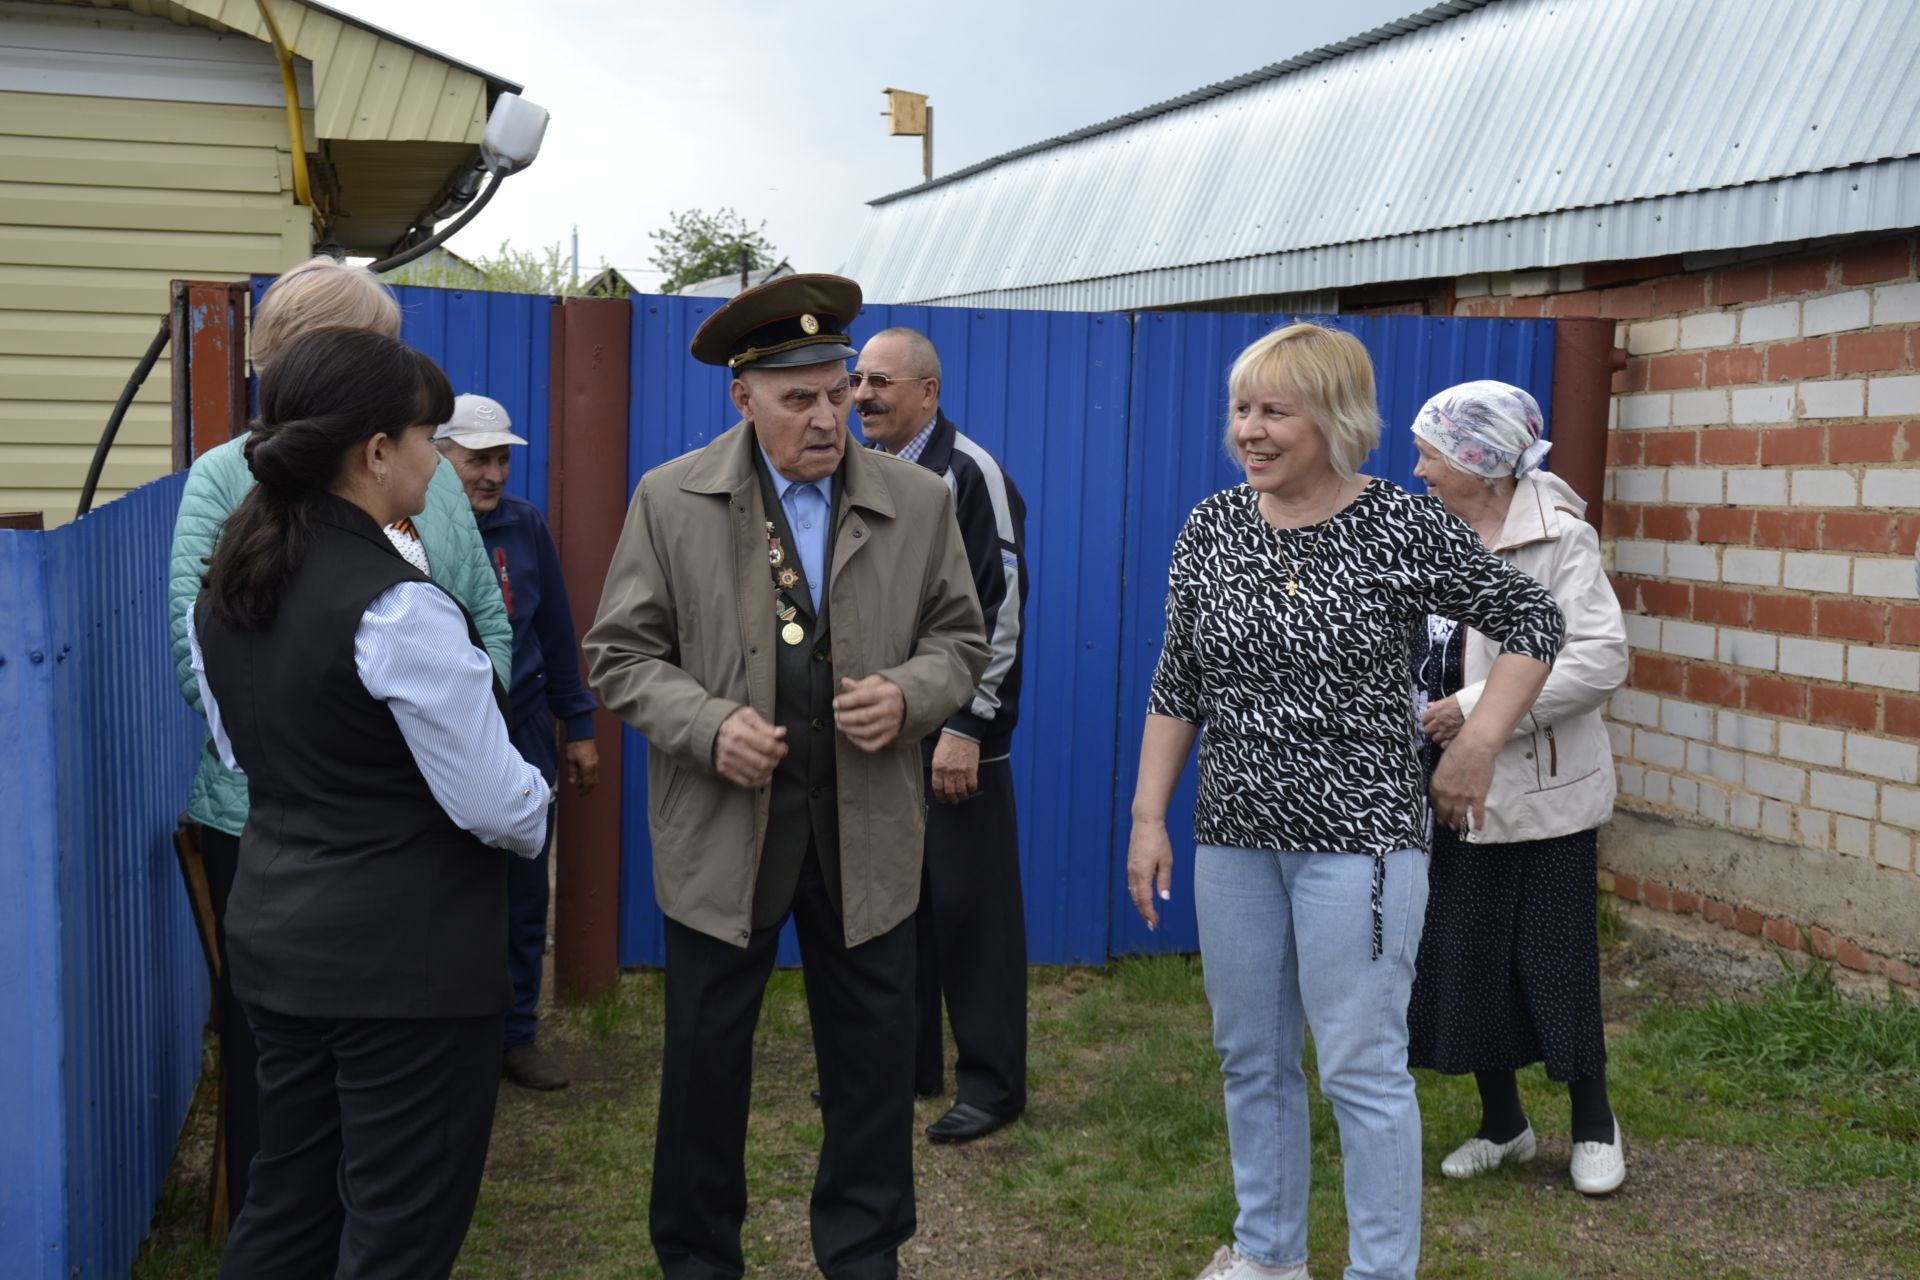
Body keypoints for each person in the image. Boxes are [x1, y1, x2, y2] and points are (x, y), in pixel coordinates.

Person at [1123, 323, 1565, 1280]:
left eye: (1275, 410)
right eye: (1243, 408)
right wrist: (1149, 818)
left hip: (1358, 844)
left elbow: (1535, 620)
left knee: (1361, 1069)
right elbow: (1178, 681)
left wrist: (1479, 744)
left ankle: (1379, 1270)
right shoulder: (1210, 528)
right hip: (1231, 838)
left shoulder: (1399, 526)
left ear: (1334, 418)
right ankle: (1270, 1255)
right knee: (1251, 1059)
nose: (1251, 429)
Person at [584, 273, 988, 1280]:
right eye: (796, 396)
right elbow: (620, 655)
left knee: (872, 1061)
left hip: (869, 826)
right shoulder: (670, 498)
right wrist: (709, 724)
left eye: (838, 390)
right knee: (706, 1062)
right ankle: (697, 1252)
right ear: (742, 395)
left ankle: (862, 1249)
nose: (825, 415)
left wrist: (909, 694)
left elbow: (960, 639)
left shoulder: (919, 496)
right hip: (725, 830)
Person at [190, 328, 550, 1279]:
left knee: (288, 1208)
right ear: (376, 451)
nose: (438, 456)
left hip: (276, 942)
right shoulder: (399, 607)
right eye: (427, 434)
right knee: (399, 1233)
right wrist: (538, 787)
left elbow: (245, 753)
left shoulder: (228, 584)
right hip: (408, 975)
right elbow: (500, 807)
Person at [1403, 381, 1630, 1195]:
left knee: (1554, 960)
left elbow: (1600, 659)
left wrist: (1471, 710)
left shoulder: (1558, 538)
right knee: (1463, 957)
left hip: (1540, 792)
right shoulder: (1426, 530)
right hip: (1439, 791)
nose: (1419, 468)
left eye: (1432, 453)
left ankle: (1595, 1124)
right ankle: (1505, 1125)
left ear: (1482, 462)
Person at [852, 327, 1030, 1144]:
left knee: (971, 913)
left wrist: (968, 726)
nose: (862, 397)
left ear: (929, 391)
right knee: (896, 906)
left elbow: (1001, 609)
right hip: (884, 733)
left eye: (881, 382)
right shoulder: (860, 473)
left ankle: (993, 1085)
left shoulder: (970, 474)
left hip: (958, 737)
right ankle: (907, 1064)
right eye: (856, 383)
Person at [434, 393, 599, 1092]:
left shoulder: (525, 527)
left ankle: (516, 1035)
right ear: (443, 457)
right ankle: (450, 1042)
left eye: (501, 458)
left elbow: (557, 632)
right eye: (478, 458)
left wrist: (580, 726)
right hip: (444, 734)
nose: (492, 473)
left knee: (526, 887)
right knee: (446, 886)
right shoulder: (414, 528)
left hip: (524, 723)